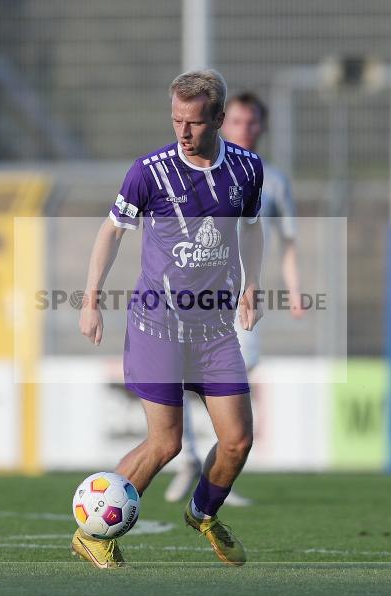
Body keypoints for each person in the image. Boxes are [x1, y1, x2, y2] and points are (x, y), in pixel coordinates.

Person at [77, 69, 264, 568]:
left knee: (238, 440)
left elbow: (251, 229)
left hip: (213, 328)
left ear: (220, 120)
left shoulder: (247, 169)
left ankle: (203, 513)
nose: (183, 131)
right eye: (176, 119)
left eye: (195, 123)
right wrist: (91, 297)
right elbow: (112, 232)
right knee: (165, 442)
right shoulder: (149, 171)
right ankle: (93, 533)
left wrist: (251, 285)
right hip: (157, 324)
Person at [164, 91, 304, 506]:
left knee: (233, 380)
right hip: (198, 299)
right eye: (238, 121)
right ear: (226, 123)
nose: (245, 128)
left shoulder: (272, 178)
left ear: (261, 126)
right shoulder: (199, 170)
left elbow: (287, 240)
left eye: (252, 122)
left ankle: (217, 470)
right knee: (183, 379)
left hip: (243, 304)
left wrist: (295, 291)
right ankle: (189, 459)